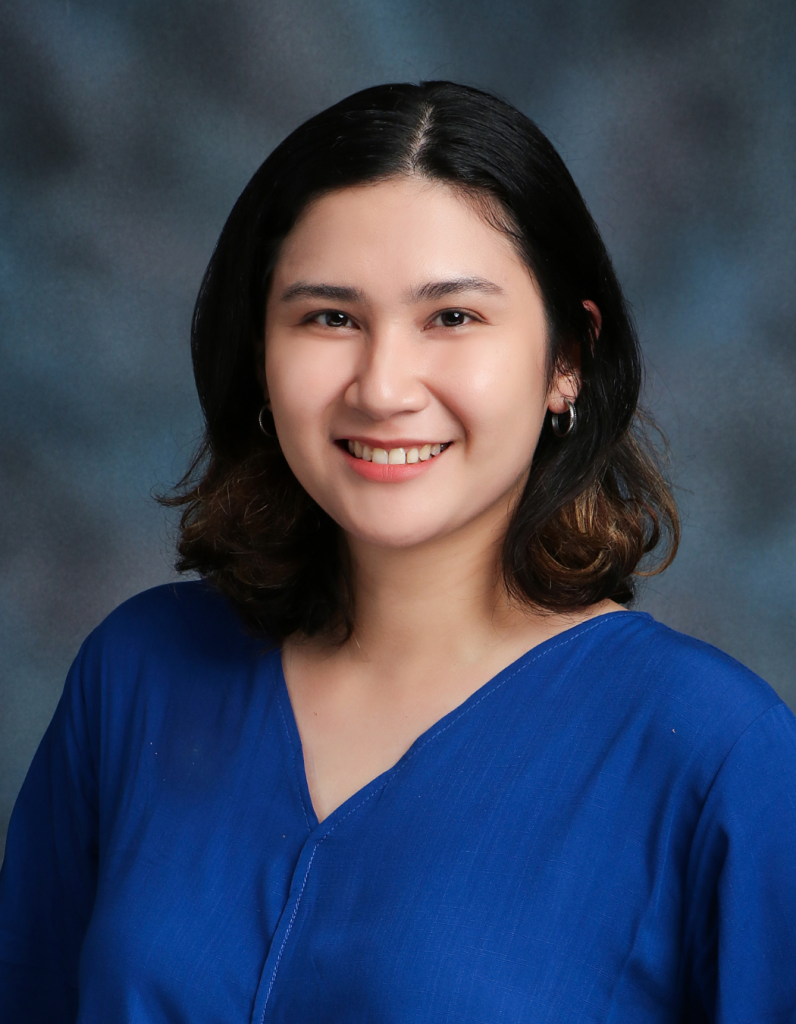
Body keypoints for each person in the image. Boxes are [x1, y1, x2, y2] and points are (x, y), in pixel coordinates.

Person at [1, 81, 795, 1023]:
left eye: (452, 317)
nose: (382, 388)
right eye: (329, 317)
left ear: (567, 360)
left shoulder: (719, 753)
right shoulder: (136, 676)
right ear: (260, 354)